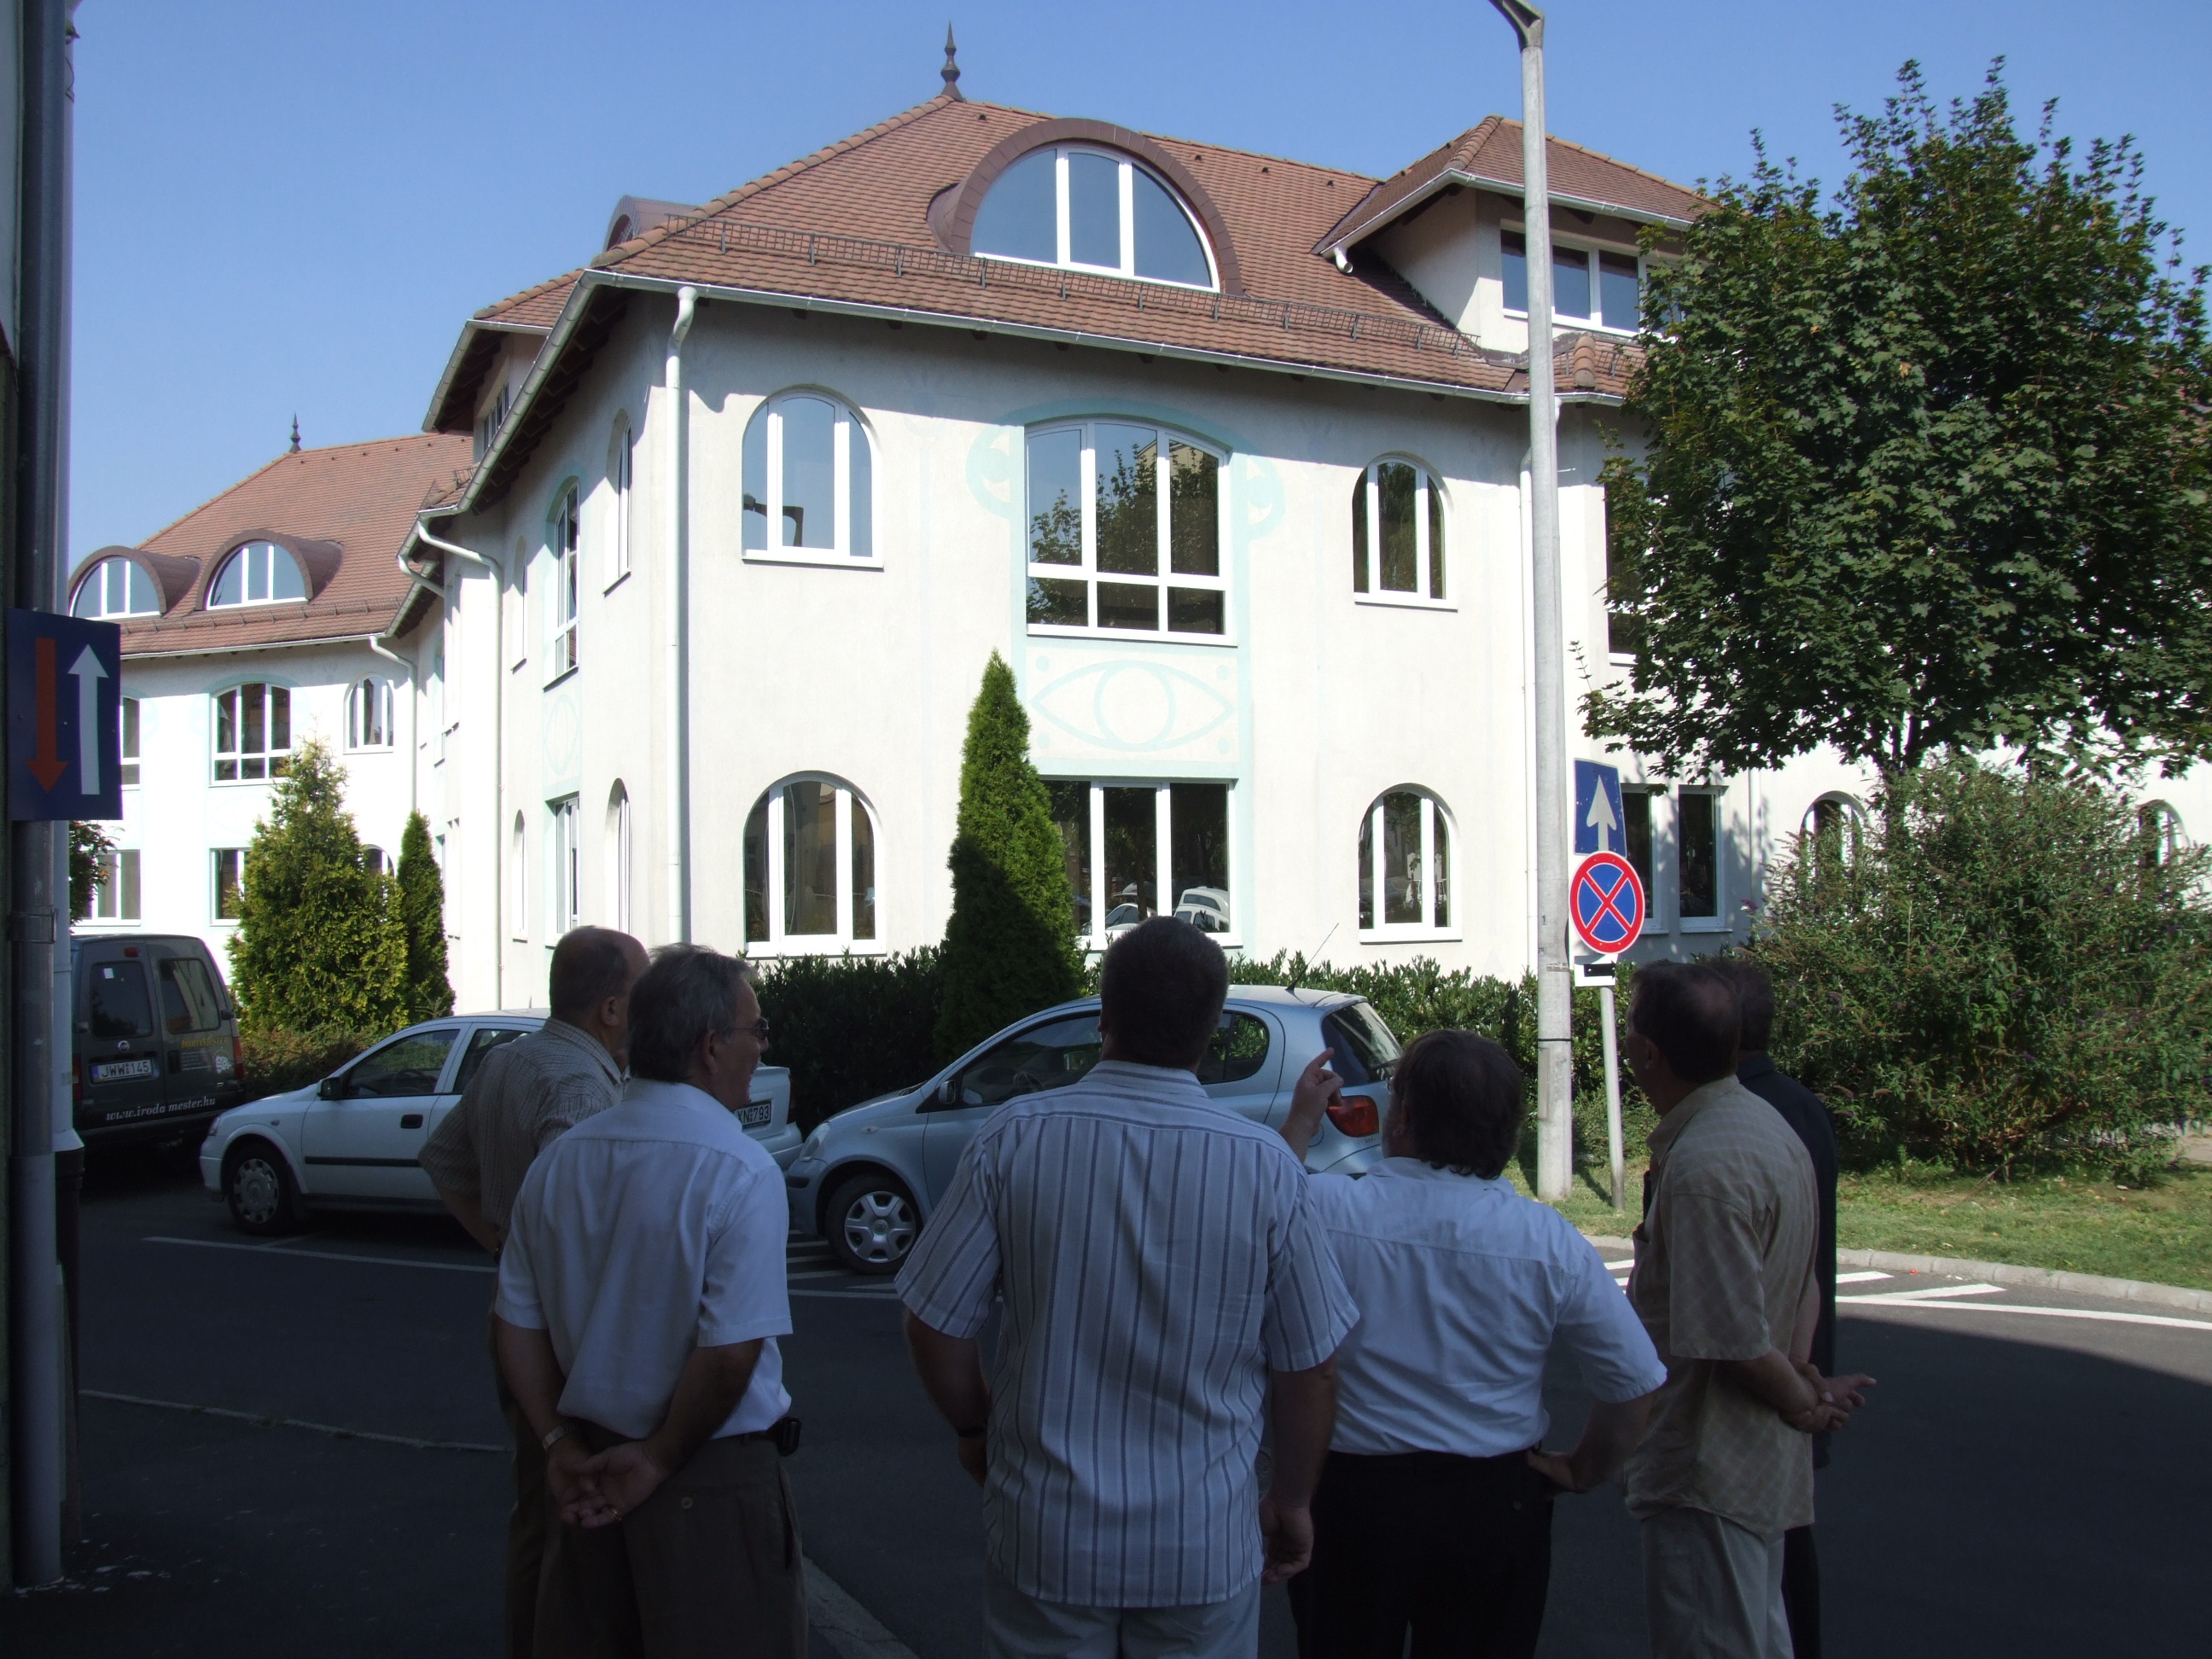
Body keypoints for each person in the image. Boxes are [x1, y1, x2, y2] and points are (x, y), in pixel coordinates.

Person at [898, 917, 1358, 1659]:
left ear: (1103, 1017)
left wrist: (976, 1431)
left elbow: (933, 1320)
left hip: (1048, 1535)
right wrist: (1294, 1501)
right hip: (1202, 1543)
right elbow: (1312, 1365)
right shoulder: (1266, 1167)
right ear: (1211, 1031)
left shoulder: (1014, 1138)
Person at [1277, 1028, 1667, 1659]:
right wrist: (1582, 1469)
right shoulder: (1548, 1240)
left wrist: (1301, 1120)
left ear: (1403, 1119)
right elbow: (1635, 1381)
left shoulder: (1327, 1209)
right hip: (1493, 1500)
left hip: (1353, 1496)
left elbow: (1265, 1201)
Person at [494, 943, 802, 1659]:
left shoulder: (561, 1161)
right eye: (756, 1031)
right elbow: (730, 1354)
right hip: (708, 1477)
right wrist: (658, 1459)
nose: (761, 1048)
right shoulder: (741, 1170)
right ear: (709, 1047)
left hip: (588, 1472)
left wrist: (557, 1444)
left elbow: (514, 1323)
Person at [1620, 962, 1873, 1659]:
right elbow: (1804, 1281)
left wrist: (1805, 1401)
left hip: (1709, 1474)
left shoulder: (1705, 1165)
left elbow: (1730, 1341)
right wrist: (1804, 1374)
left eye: (1629, 1029)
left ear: (1649, 1053)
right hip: (1751, 1470)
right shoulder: (1768, 1127)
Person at [418, 924, 647, 1659]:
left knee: (535, 1511)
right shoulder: (581, 1088)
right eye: (641, 994)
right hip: (560, 1339)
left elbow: (443, 1158)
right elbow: (576, 1213)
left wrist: (499, 1243)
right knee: (575, 1516)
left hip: (516, 1320)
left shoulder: (508, 1061)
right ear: (611, 1009)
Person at [1713, 956, 1840, 1659]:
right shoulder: (1802, 1107)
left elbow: (1725, 1302)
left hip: (1762, 1371)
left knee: (1754, 1570)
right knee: (1788, 1539)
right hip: (1797, 1353)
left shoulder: (1732, 1122)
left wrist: (1793, 1382)